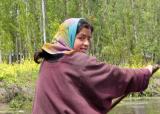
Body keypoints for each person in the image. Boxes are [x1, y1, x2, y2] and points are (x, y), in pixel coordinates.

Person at [32, 18, 160, 114]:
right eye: (81, 38)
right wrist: (145, 72)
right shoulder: (76, 61)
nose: (86, 43)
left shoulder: (48, 59)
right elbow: (114, 75)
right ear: (68, 37)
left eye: (89, 39)